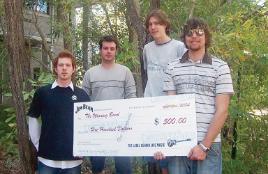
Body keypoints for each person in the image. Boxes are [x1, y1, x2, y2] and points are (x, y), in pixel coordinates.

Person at [154, 18, 234, 174]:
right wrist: (162, 142)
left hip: (209, 145)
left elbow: (222, 110)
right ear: (184, 38)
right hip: (178, 143)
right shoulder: (172, 67)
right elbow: (169, 109)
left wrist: (204, 146)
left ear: (207, 37)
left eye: (199, 32)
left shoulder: (221, 67)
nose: (194, 36)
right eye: (190, 33)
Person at [28, 50, 90, 174]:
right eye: (61, 65)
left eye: (68, 65)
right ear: (56, 68)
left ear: (73, 69)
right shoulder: (42, 93)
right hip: (47, 159)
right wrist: (37, 143)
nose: (64, 68)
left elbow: (88, 124)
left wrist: (85, 146)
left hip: (73, 160)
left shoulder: (82, 95)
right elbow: (33, 117)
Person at [82, 35, 136, 174]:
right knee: (97, 166)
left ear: (116, 50)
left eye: (112, 48)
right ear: (100, 50)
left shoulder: (125, 72)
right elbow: (84, 101)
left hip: (121, 128)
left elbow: (131, 98)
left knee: (124, 168)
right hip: (97, 129)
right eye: (105, 48)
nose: (108, 51)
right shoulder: (90, 73)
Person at [143, 9, 186, 174]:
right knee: (156, 156)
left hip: (170, 108)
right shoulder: (147, 48)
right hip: (150, 107)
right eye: (150, 24)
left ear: (165, 25)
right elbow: (150, 75)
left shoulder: (179, 47)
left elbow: (183, 77)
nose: (153, 27)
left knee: (171, 157)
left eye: (157, 23)